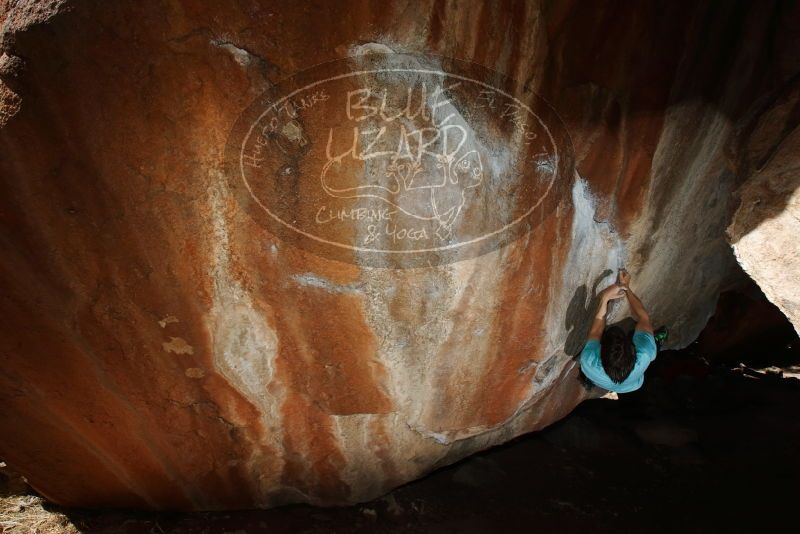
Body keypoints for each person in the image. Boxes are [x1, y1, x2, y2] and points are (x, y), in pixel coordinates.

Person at [578, 270, 658, 393]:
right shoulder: (645, 352)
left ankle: (590, 380)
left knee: (588, 371)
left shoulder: (588, 361)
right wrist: (625, 288)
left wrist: (605, 298)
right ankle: (658, 341)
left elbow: (597, 330)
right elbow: (643, 317)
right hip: (631, 386)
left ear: (601, 354)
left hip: (598, 375)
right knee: (652, 344)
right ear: (634, 351)